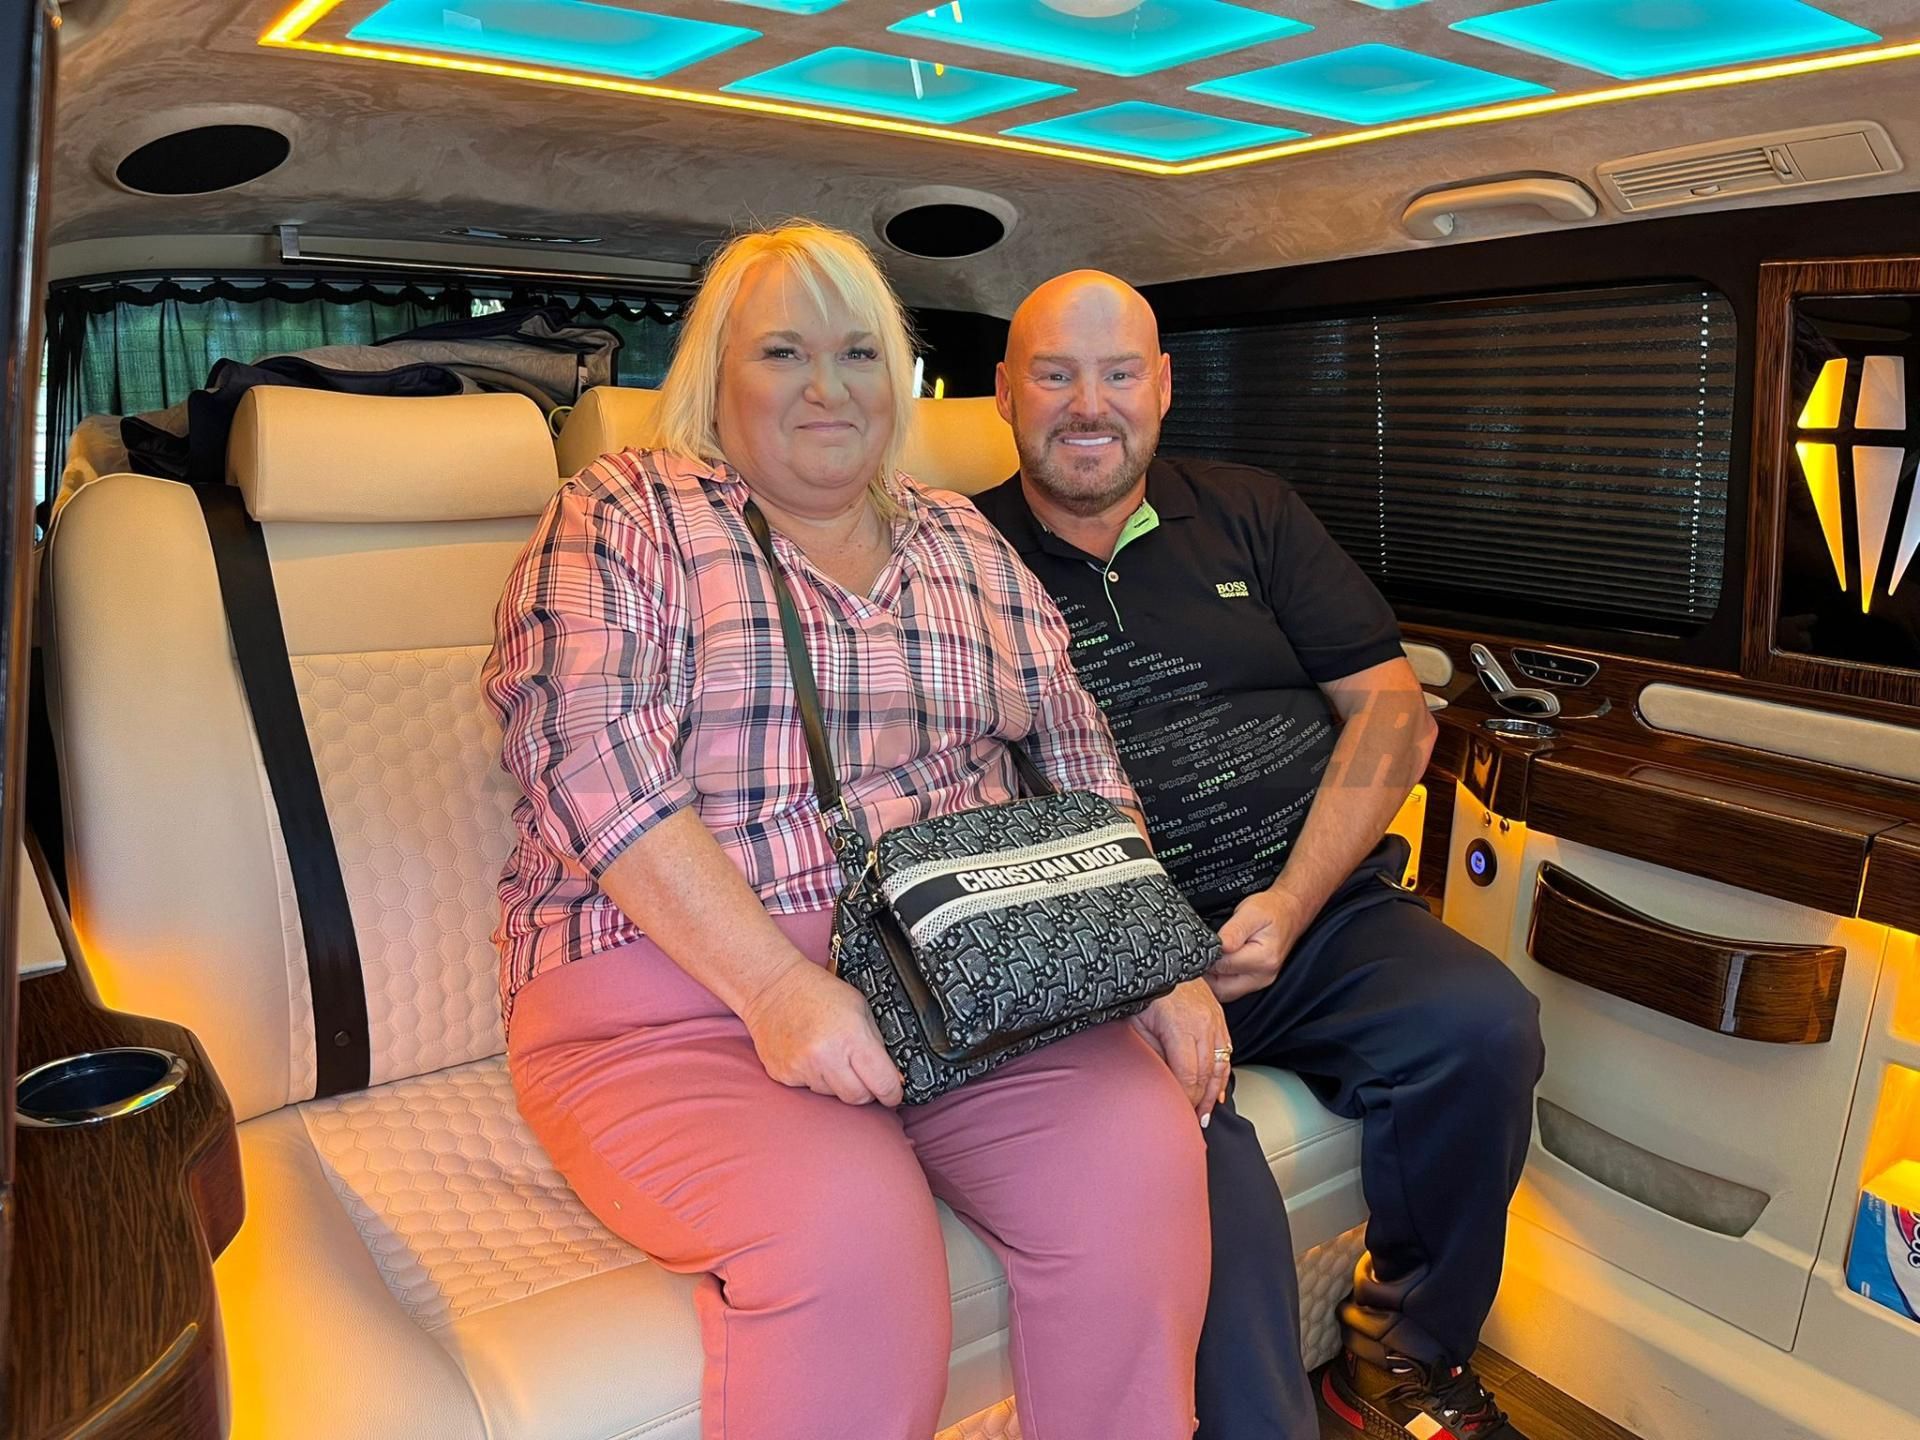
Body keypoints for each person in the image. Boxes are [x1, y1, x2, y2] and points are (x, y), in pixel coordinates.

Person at [483, 226, 1220, 1440]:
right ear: (717, 376)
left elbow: (1076, 752)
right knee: (849, 1233)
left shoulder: (962, 537)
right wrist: (776, 987)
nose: (828, 388)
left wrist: (1161, 962)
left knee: (1140, 1164)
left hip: (962, 980)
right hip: (677, 1000)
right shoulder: (623, 512)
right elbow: (585, 763)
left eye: (860, 353)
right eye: (784, 352)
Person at [973, 271, 1547, 1440]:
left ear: (1163, 387)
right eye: (1055, 374)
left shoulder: (1252, 511)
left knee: (1483, 1028)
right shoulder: (957, 555)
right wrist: (1145, 958)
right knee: (1192, 1160)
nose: (1089, 404)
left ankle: (1402, 1354)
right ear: (1003, 393)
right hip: (1116, 964)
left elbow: (1395, 714)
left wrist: (1289, 903)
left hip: (1313, 917)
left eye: (1119, 373)